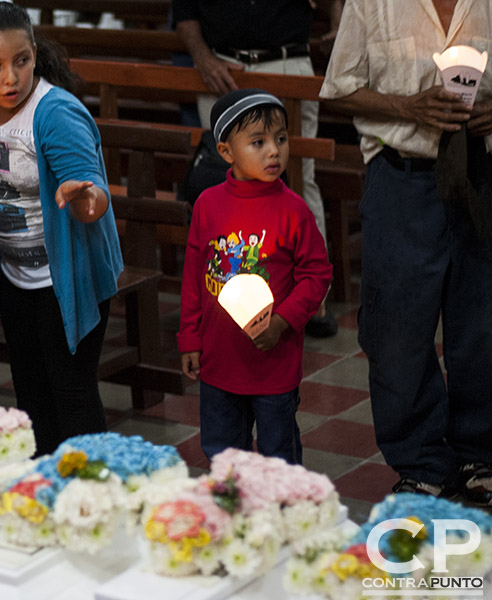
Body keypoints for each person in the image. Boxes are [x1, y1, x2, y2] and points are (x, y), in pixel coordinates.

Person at [320, 0, 492, 504]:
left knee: (480, 324)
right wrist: (407, 107)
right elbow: (338, 90)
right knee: (398, 328)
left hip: (481, 175)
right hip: (403, 178)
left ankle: (480, 456)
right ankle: (421, 462)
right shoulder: (373, 3)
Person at [0, 2, 124, 456]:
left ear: (34, 52)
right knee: (29, 388)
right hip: (13, 272)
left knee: (71, 389)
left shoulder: (55, 114)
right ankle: (44, 485)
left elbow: (93, 190)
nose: (10, 78)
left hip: (68, 275)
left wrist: (87, 202)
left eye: (21, 61)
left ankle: (89, 491)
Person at [177, 89, 332, 464]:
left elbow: (317, 274)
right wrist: (189, 338)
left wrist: (282, 322)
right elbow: (195, 275)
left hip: (273, 362)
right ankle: (233, 515)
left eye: (280, 139)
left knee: (279, 452)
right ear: (226, 151)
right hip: (220, 358)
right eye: (258, 142)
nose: (274, 151)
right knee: (224, 452)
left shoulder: (294, 211)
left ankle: (282, 514)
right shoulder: (208, 205)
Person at [173, 0, 341, 337]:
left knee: (300, 180)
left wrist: (337, 21)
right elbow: (185, 8)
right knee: (226, 187)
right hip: (223, 68)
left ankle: (312, 301)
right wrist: (203, 58)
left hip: (287, 58)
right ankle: (229, 295)